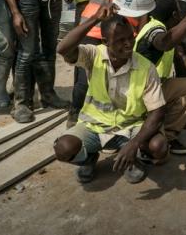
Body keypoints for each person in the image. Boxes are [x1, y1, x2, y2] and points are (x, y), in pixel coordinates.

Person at [55, 11, 167, 185]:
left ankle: (131, 158)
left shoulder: (146, 67)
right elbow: (63, 49)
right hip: (94, 127)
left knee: (158, 146)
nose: (129, 44)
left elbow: (157, 112)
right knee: (63, 148)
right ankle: (88, 158)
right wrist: (94, 19)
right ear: (105, 42)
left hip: (131, 127)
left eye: (131, 37)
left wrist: (134, 144)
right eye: (121, 41)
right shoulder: (94, 55)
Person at [129, 0, 186, 155]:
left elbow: (183, 65)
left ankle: (167, 135)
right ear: (175, 14)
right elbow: (163, 43)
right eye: (179, 12)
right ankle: (148, 135)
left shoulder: (171, 34)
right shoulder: (154, 28)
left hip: (154, 89)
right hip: (139, 93)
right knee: (156, 149)